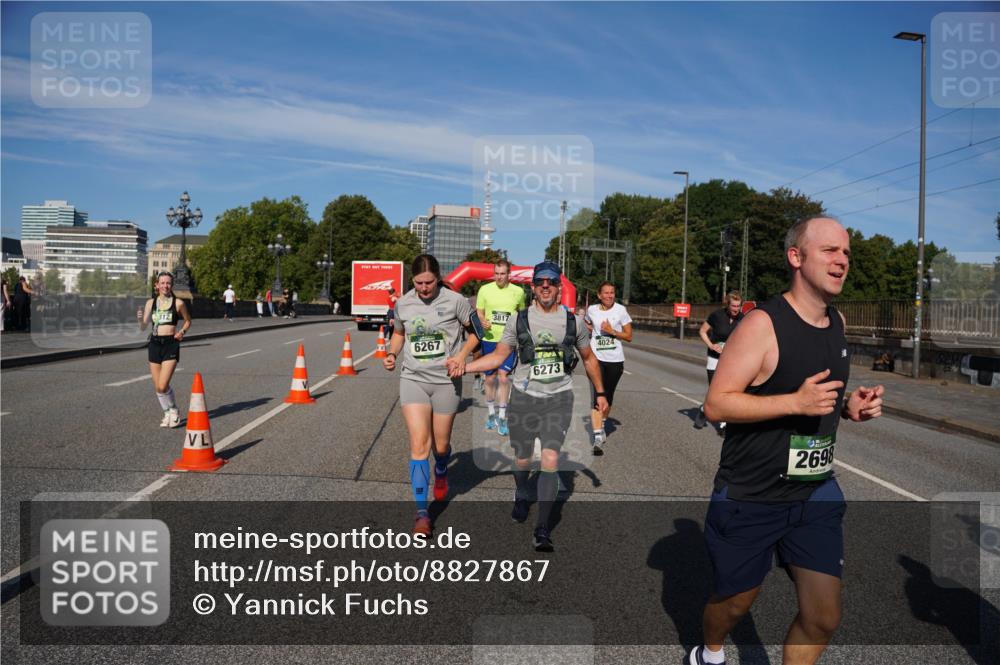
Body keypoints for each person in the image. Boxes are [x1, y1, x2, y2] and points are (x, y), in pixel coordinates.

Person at [689, 217, 885, 665]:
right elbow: (717, 405)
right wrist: (795, 402)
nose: (842, 261)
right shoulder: (762, 325)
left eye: (846, 253)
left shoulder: (838, 322)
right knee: (735, 603)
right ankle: (710, 651)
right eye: (830, 251)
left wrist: (849, 407)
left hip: (814, 491)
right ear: (796, 257)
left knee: (823, 617)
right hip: (752, 494)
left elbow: (821, 399)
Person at [450, 261, 607, 552]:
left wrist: (600, 391)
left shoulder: (573, 322)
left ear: (559, 287)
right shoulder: (518, 320)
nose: (545, 286)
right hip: (523, 397)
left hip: (559, 398)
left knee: (549, 459)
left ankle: (542, 529)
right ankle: (522, 491)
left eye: (551, 281)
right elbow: (498, 357)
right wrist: (464, 365)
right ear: (533, 288)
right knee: (523, 457)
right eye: (540, 282)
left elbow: (589, 359)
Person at [383, 254, 475, 538]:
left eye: (429, 282)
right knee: (419, 444)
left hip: (447, 381)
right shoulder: (403, 303)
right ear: (412, 280)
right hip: (414, 378)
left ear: (438, 278)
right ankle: (422, 513)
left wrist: (461, 356)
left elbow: (478, 333)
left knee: (441, 445)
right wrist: (391, 353)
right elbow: (399, 333)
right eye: (419, 283)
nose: (424, 288)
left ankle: (443, 467)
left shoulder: (455, 301)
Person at [474, 260, 526, 436]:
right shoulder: (485, 290)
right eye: (496, 273)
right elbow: (479, 311)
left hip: (508, 340)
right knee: (490, 379)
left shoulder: (518, 292)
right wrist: (482, 320)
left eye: (502, 274)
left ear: (508, 274)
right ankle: (491, 414)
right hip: (489, 339)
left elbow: (522, 313)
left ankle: (502, 416)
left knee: (503, 378)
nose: (499, 277)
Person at [137, 272, 192, 428]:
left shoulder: (178, 303)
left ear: (171, 285)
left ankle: (174, 409)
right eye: (162, 283)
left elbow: (188, 321)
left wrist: (182, 332)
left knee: (162, 385)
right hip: (154, 343)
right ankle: (167, 412)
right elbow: (143, 327)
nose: (165, 286)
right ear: (157, 285)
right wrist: (140, 319)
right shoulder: (150, 303)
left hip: (170, 344)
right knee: (157, 387)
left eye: (168, 283)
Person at [585, 281, 633, 454]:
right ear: (599, 295)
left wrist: (611, 331)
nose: (609, 295)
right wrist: (592, 333)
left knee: (608, 396)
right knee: (597, 394)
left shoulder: (620, 310)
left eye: (612, 292)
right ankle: (597, 436)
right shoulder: (592, 310)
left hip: (615, 360)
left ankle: (603, 424)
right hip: (595, 359)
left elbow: (629, 336)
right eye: (605, 293)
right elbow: (587, 323)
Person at [694, 291, 745, 433]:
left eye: (738, 306)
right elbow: (703, 331)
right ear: (727, 305)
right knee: (714, 391)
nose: (736, 309)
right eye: (733, 306)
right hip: (714, 358)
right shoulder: (717, 315)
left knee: (728, 391)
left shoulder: (743, 318)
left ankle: (723, 423)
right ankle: (704, 409)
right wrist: (711, 345)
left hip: (731, 360)